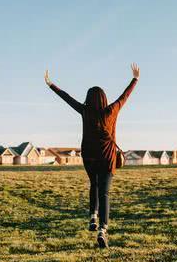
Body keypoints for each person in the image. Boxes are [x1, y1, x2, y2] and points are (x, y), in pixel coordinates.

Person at [45, 63, 139, 248]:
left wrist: (50, 84)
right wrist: (135, 79)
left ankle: (92, 217)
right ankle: (102, 229)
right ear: (104, 99)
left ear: (89, 99)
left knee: (94, 185)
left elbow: (67, 98)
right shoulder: (111, 110)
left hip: (89, 157)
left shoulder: (85, 111)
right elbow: (125, 96)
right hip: (107, 158)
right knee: (104, 192)